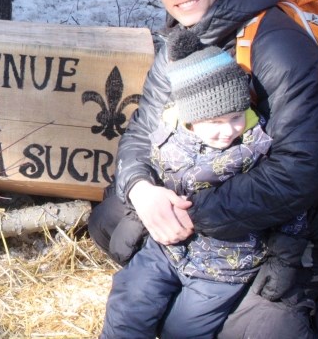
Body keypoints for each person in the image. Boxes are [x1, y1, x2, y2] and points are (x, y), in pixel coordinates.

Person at [88, 0, 318, 338]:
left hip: (279, 221)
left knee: (262, 327)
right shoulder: (182, 40)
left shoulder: (278, 46)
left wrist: (193, 212)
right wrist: (142, 190)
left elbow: (301, 170)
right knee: (111, 223)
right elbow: (142, 130)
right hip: (200, 192)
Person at [101, 30, 306, 338]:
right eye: (215, 122)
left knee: (184, 328)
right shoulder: (169, 138)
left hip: (226, 267)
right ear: (191, 118)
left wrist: (286, 255)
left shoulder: (257, 147)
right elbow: (144, 166)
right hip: (167, 249)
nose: (228, 130)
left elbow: (289, 206)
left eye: (236, 116)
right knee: (129, 300)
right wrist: (139, 201)